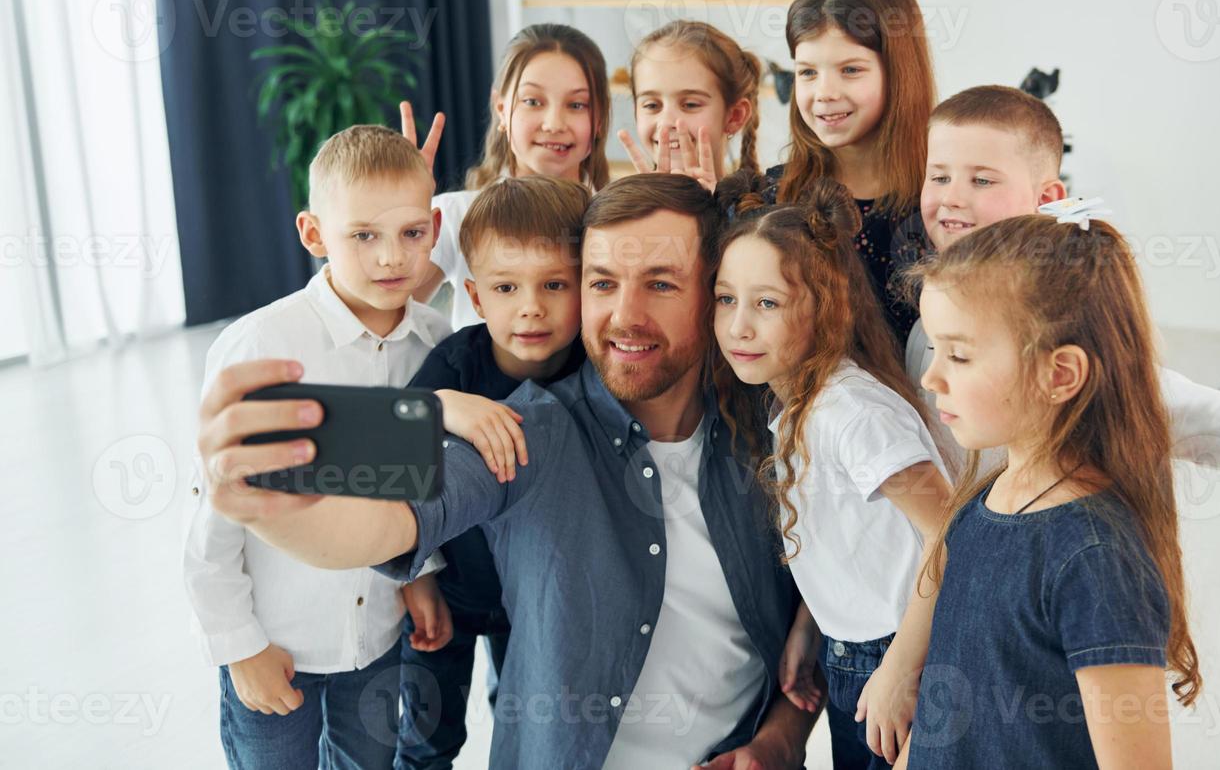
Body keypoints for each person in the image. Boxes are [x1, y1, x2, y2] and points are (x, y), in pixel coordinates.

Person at [193, 174, 819, 770]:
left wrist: (781, 740)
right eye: (602, 283)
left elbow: (829, 613)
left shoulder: (776, 433)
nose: (624, 315)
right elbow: (382, 521)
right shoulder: (532, 431)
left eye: (660, 283)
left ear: (714, 293)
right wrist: (267, 506)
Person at [908, 85, 1220, 504]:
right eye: (940, 176)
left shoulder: (1065, 304)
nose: (952, 195)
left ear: (1047, 200)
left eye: (982, 180)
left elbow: (1172, 405)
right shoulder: (923, 312)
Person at [182, 124, 452, 770]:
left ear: (434, 229)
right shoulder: (262, 348)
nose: (391, 258)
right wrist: (239, 645)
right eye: (363, 236)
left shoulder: (439, 344)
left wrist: (421, 574)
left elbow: (425, 481)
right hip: (278, 645)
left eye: (411, 234)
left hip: (377, 643)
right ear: (313, 233)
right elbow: (213, 513)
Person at [901, 212, 1198, 768]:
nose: (932, 377)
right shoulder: (981, 505)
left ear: (1060, 374)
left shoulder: (1095, 559)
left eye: (959, 355)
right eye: (935, 350)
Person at [711, 172, 950, 768]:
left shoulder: (851, 413)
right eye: (725, 299)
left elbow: (949, 531)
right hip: (852, 655)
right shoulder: (794, 404)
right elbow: (844, 545)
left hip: (904, 657)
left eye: (767, 303)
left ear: (824, 305)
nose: (739, 325)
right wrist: (810, 632)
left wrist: (900, 670)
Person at [394, 175, 589, 769]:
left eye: (555, 284)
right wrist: (418, 579)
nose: (531, 306)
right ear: (477, 299)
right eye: (507, 287)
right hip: (449, 596)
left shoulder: (594, 367)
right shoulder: (455, 363)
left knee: (527, 721)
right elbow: (396, 467)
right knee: (428, 738)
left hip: (541, 607)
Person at [407, 23, 612, 330]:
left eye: (576, 105)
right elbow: (382, 313)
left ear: (598, 120)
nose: (554, 123)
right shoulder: (455, 215)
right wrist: (400, 215)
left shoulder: (617, 226)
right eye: (533, 101)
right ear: (501, 109)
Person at [766, 0, 934, 342]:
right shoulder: (775, 195)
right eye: (807, 72)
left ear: (900, 73)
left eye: (851, 70)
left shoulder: (942, 200)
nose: (824, 92)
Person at [618, 18, 763, 190]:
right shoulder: (620, 214)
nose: (666, 122)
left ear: (734, 116)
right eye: (651, 105)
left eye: (691, 104)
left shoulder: (758, 214)